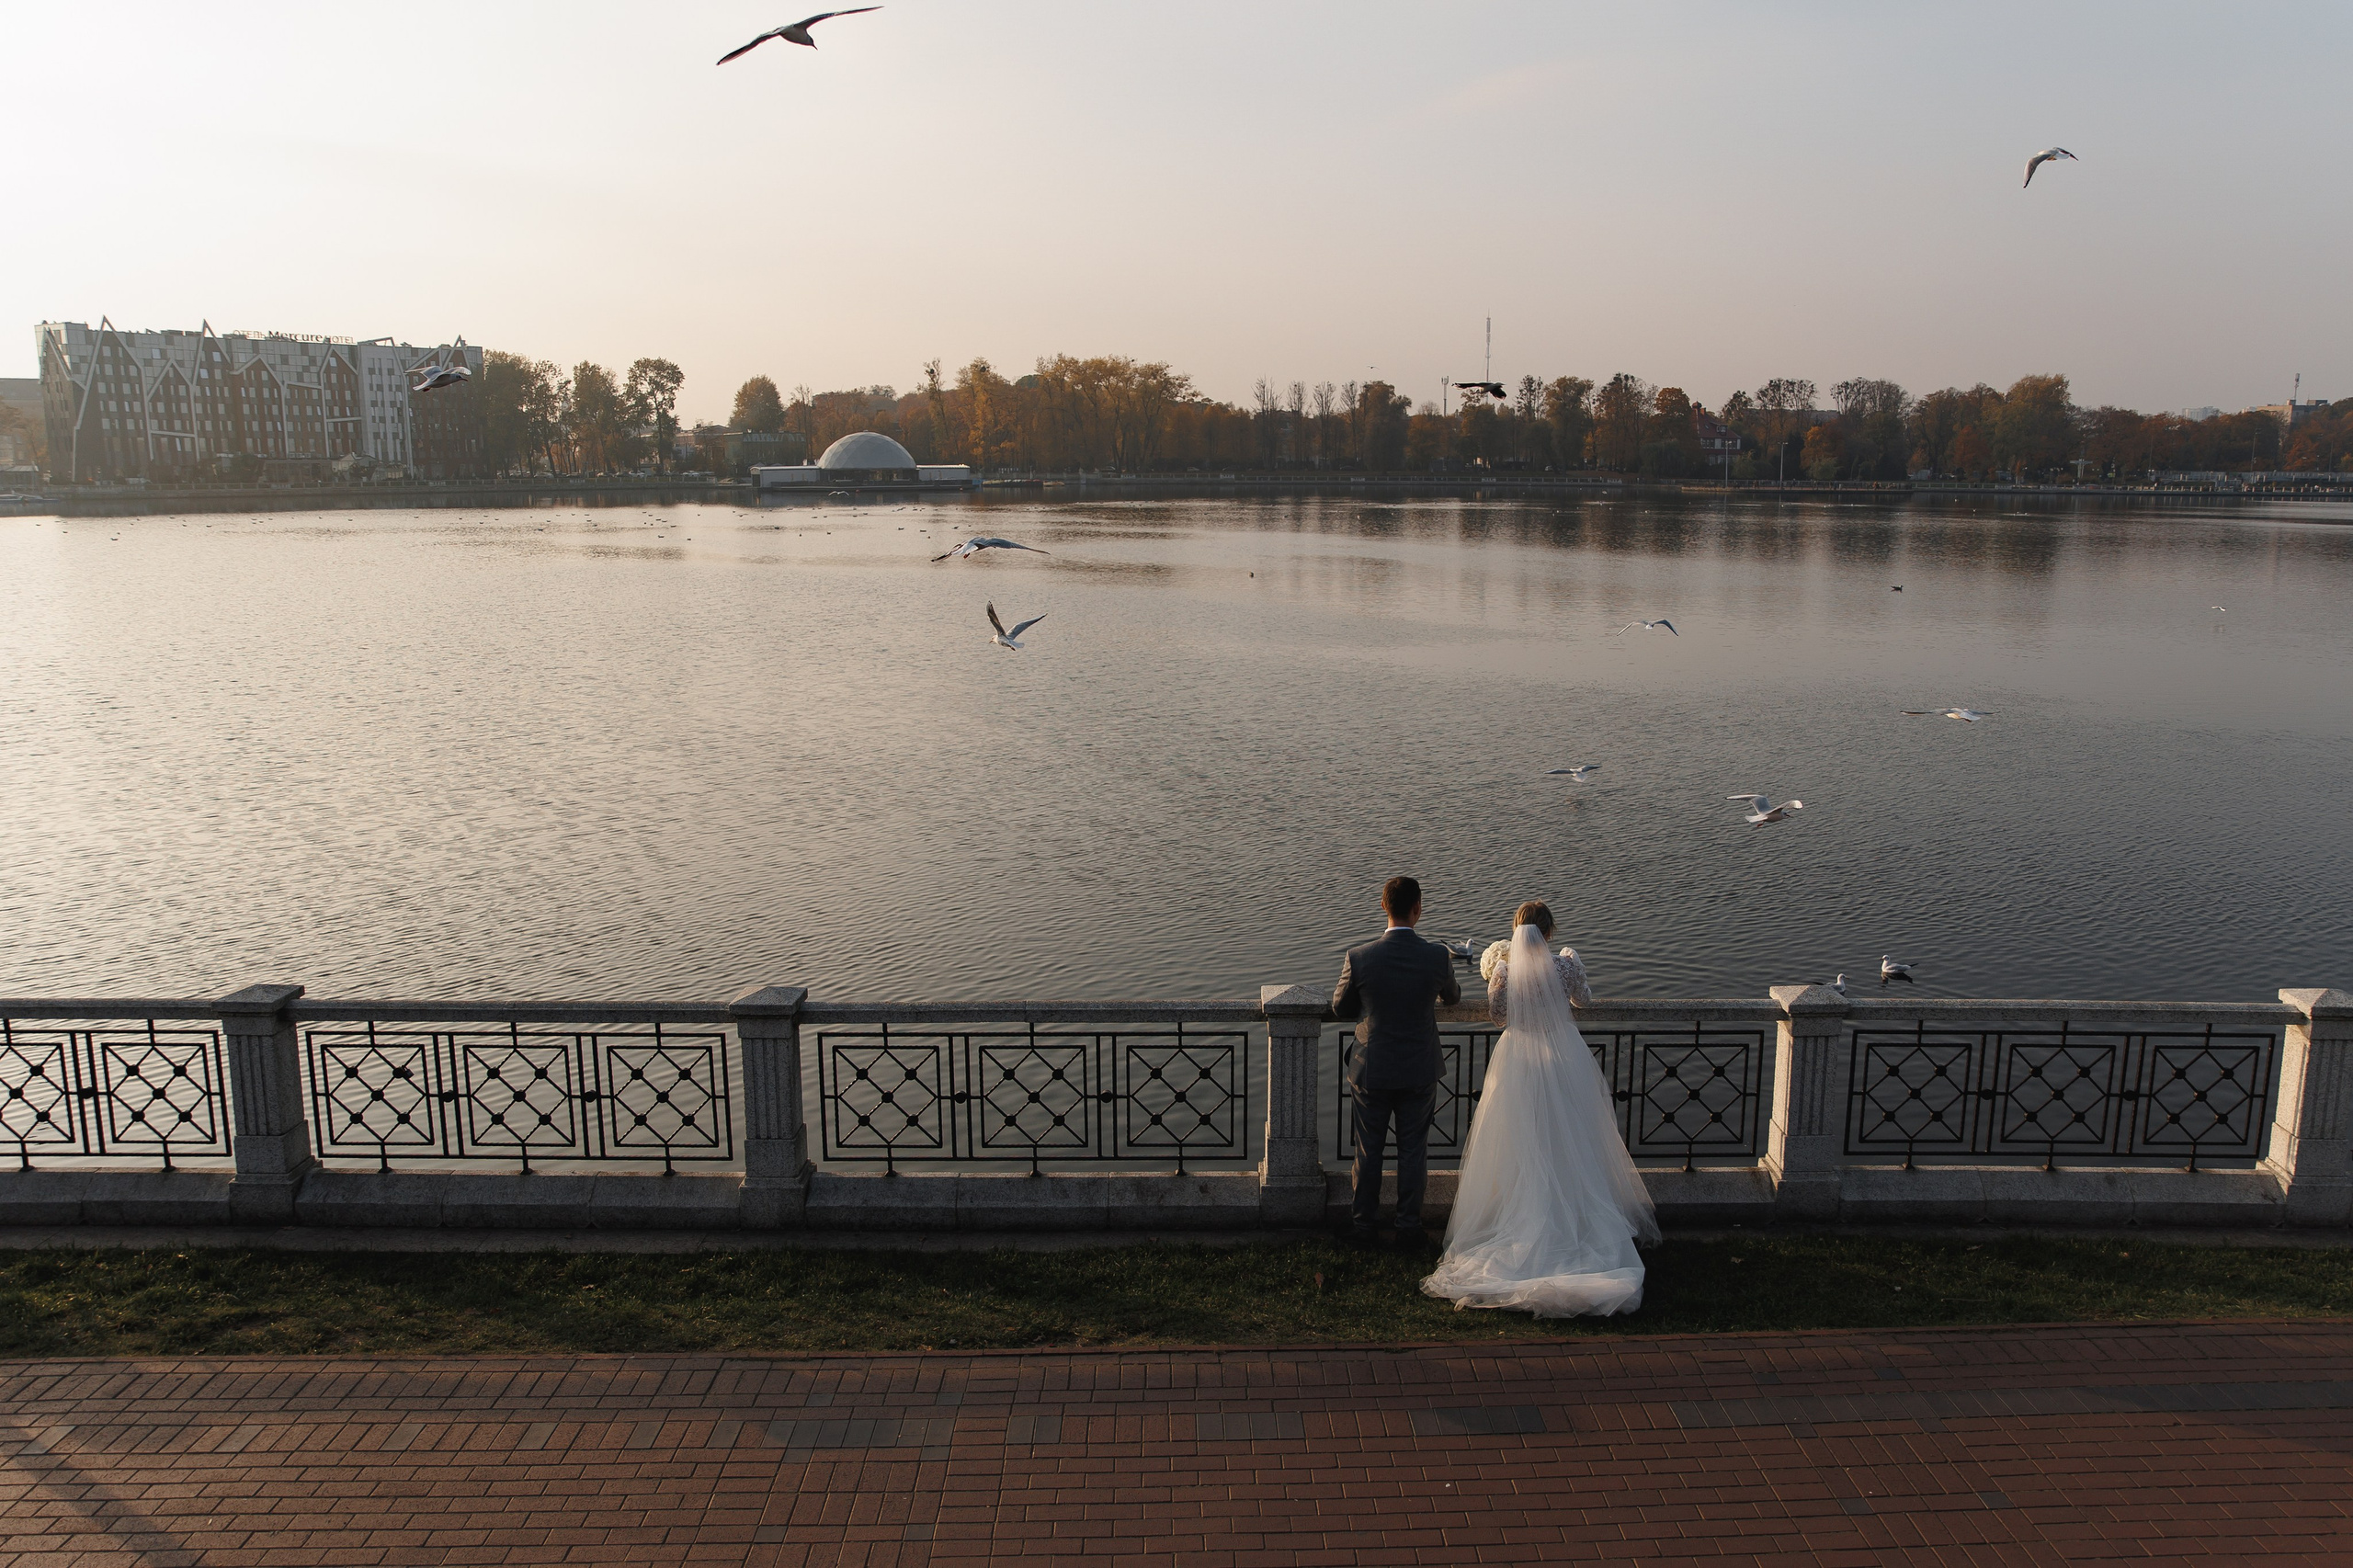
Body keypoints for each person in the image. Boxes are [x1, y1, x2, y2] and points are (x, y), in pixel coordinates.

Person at [1422, 900, 1657, 1316]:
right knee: (1571, 1136)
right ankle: (1576, 1219)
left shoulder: (1504, 971)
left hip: (1519, 1060)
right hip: (1564, 1057)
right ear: (1549, 932)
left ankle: (1521, 1218)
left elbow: (1498, 1017)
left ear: (1514, 932)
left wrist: (1499, 975)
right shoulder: (1566, 964)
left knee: (1520, 1139)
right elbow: (1583, 1002)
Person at [1330, 875, 1461, 1248]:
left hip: (1371, 1067)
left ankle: (1364, 1227)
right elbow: (1452, 998)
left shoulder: (1359, 956)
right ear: (1418, 909)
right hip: (1419, 1067)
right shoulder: (1437, 955)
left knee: (1369, 1151)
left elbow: (1341, 1008)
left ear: (1383, 907)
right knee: (1413, 1150)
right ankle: (1408, 1228)